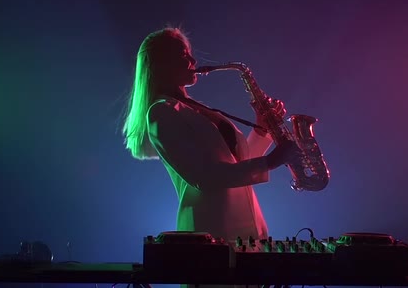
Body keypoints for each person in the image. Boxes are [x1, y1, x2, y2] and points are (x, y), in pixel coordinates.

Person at [122, 27, 301, 242]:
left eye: (188, 52)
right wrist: (272, 161)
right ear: (161, 65)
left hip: (251, 232)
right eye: (182, 54)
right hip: (210, 237)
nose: (193, 60)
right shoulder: (161, 112)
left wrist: (262, 129)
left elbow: (237, 164)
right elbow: (204, 177)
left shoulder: (195, 108)